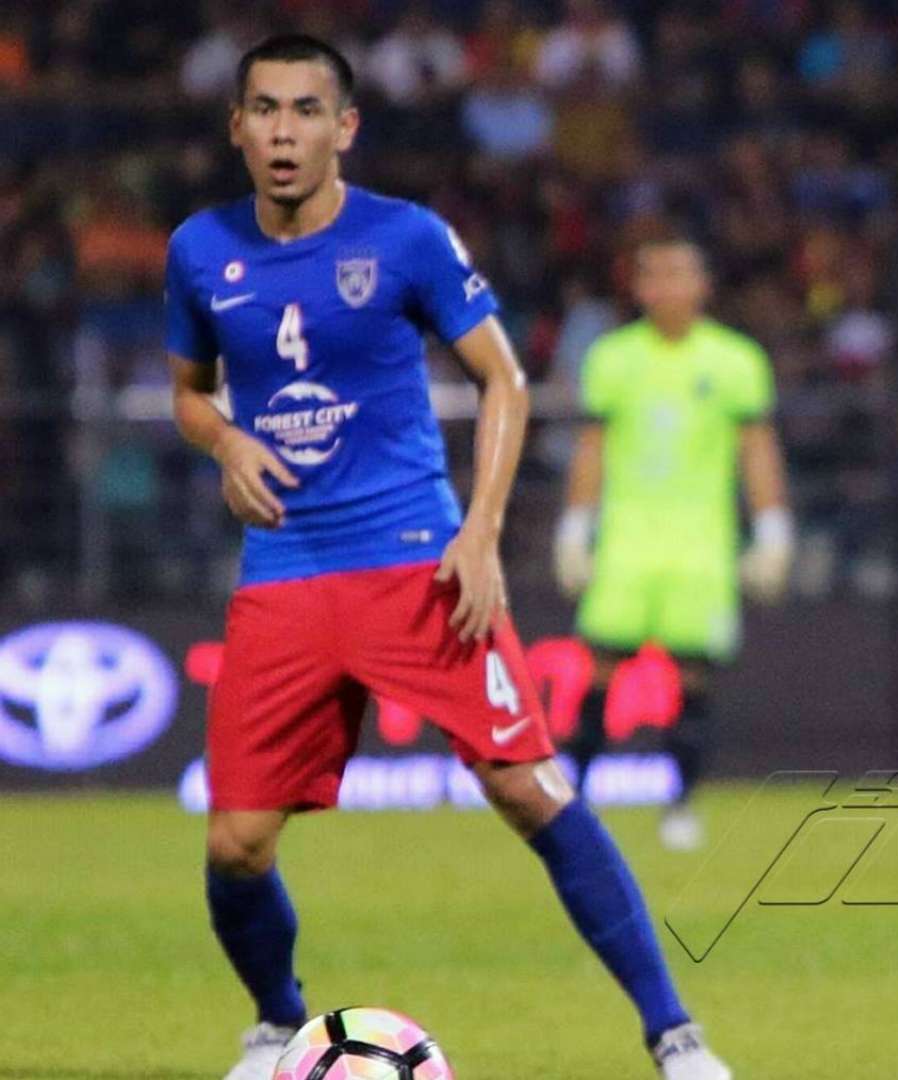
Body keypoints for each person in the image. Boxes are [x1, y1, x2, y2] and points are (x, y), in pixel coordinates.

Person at [164, 35, 728, 1080]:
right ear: (236, 126)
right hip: (284, 573)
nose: (286, 132)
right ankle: (278, 1019)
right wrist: (224, 437)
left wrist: (480, 532)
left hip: (414, 559)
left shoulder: (409, 237)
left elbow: (505, 381)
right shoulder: (201, 250)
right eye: (266, 111)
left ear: (346, 128)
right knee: (236, 844)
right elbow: (189, 391)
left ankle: (675, 1036)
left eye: (306, 110)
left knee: (531, 791)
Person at [553, 236, 791, 851]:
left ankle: (681, 804)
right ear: (639, 287)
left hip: (701, 544)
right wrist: (576, 526)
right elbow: (593, 446)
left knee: (694, 678)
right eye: (654, 275)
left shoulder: (736, 361)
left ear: (703, 284)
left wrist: (771, 527)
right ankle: (574, 800)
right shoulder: (612, 358)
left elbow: (756, 449)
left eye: (679, 273)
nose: (667, 287)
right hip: (627, 540)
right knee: (600, 667)